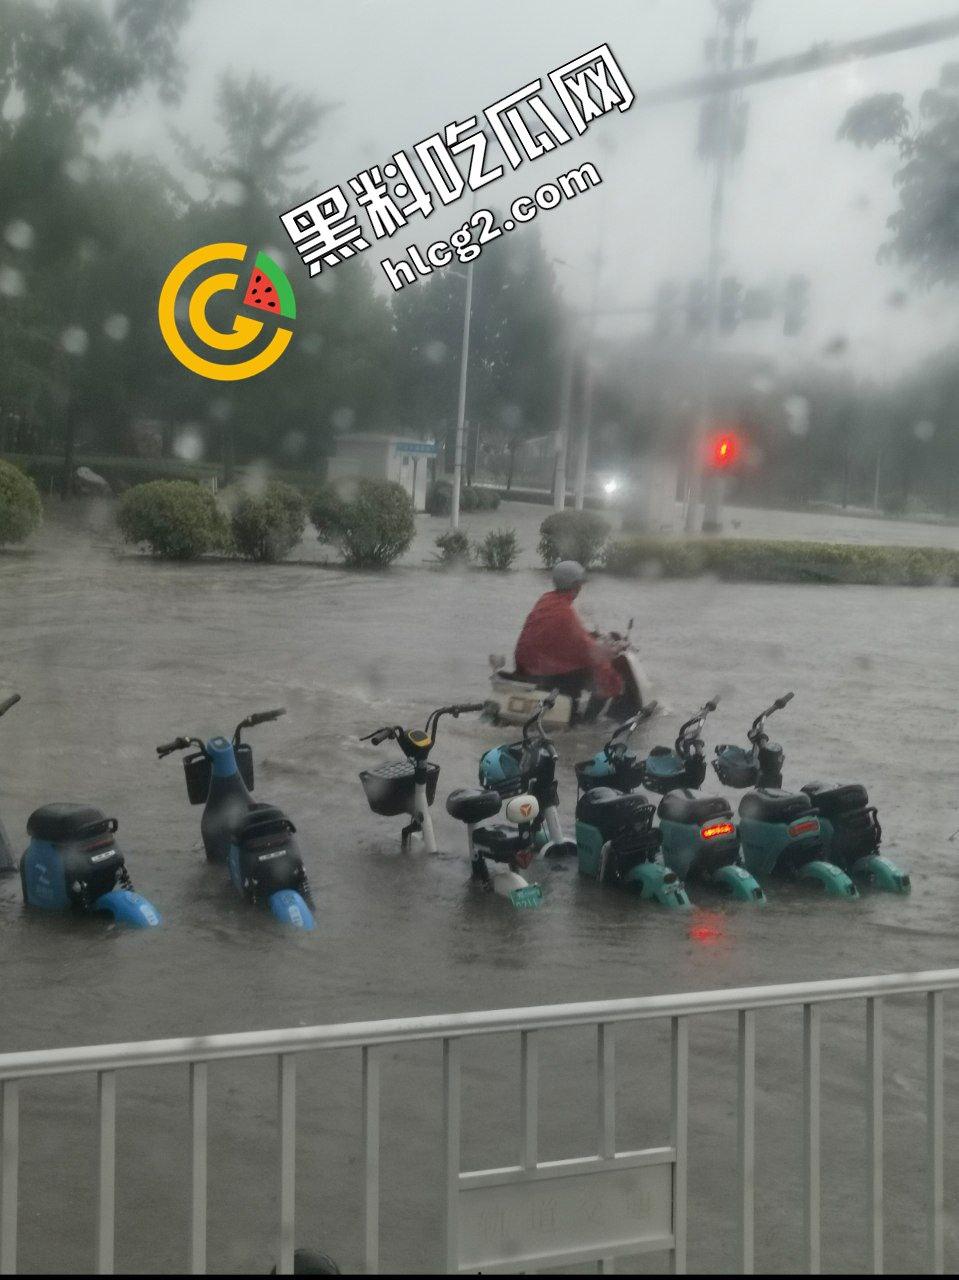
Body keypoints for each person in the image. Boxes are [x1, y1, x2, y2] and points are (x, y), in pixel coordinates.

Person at [514, 560, 623, 715]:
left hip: (528, 669)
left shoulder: (546, 600)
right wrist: (610, 653)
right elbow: (588, 649)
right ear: (576, 585)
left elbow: (562, 635)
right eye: (580, 584)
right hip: (549, 673)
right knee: (604, 673)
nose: (581, 588)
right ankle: (587, 723)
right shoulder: (565, 612)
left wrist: (590, 635)